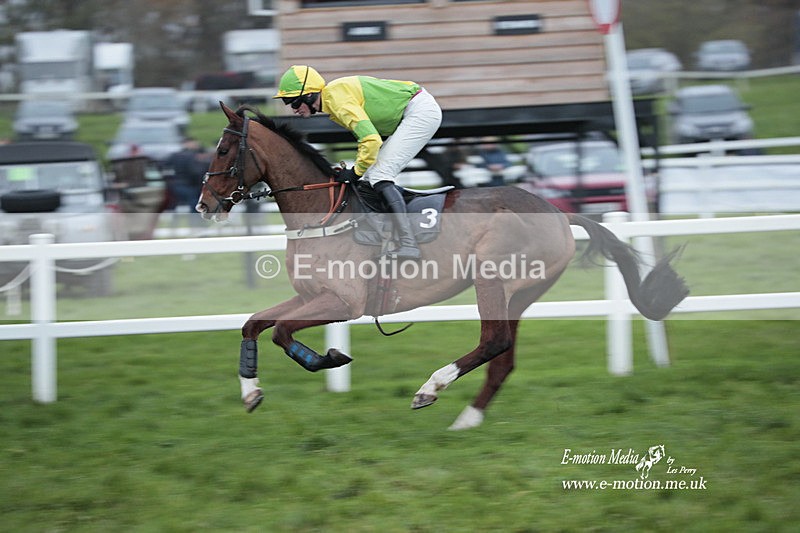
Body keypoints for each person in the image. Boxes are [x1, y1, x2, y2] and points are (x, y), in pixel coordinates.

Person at [274, 65, 442, 259]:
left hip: (419, 112)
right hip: (412, 111)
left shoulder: (337, 100)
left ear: (310, 95)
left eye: (293, 103)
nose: (293, 109)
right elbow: (368, 141)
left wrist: (355, 171)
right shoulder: (332, 101)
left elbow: (371, 140)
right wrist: (359, 171)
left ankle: (409, 243)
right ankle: (387, 235)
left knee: (379, 175)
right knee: (369, 178)